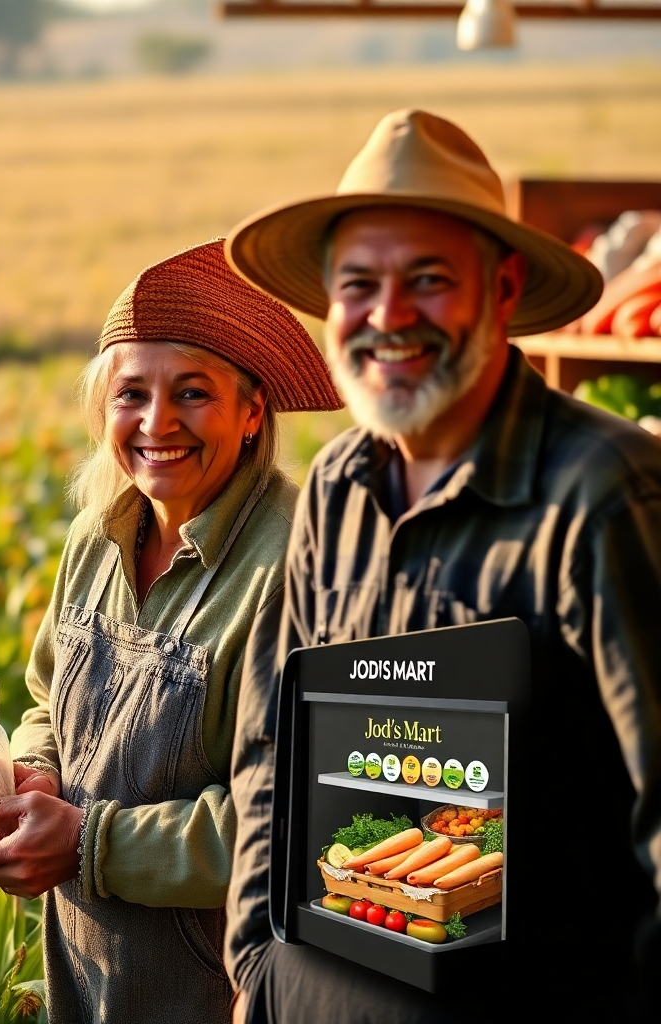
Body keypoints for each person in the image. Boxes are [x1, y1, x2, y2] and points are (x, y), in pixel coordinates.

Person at [222, 109, 661, 1023]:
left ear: (502, 289)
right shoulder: (338, 486)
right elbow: (273, 747)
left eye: (427, 281)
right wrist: (255, 969)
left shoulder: (602, 493)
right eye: (359, 285)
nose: (388, 317)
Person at [0, 239, 342, 1024]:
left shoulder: (296, 569)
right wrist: (28, 781)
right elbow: (46, 705)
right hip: (87, 967)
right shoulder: (97, 536)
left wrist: (89, 844)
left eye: (193, 393)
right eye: (132, 395)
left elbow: (301, 824)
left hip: (228, 987)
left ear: (252, 410)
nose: (158, 422)